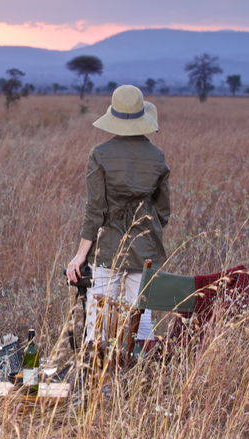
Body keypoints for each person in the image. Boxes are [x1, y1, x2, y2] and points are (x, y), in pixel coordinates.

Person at [65, 85, 170, 344]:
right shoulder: (157, 157)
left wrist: (79, 257)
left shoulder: (100, 154)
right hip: (145, 246)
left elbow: (95, 210)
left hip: (107, 247)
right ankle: (141, 379)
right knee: (142, 321)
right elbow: (163, 211)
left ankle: (97, 380)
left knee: (98, 322)